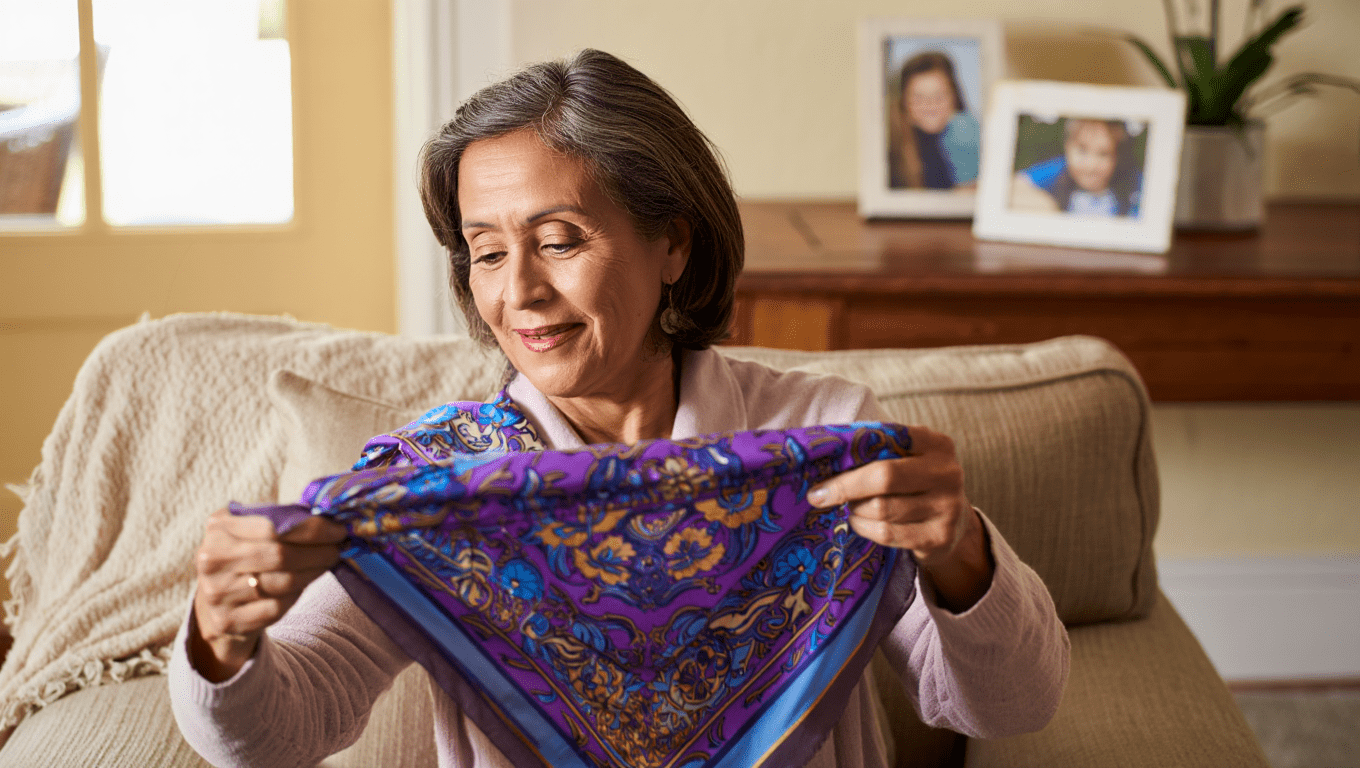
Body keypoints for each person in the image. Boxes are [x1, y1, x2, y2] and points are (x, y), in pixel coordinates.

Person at [170, 49, 1068, 768]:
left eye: (559, 241)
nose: (519, 290)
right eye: (485, 252)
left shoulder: (819, 440)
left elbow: (1013, 706)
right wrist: (220, 635)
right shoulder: (436, 484)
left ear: (671, 240)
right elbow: (281, 732)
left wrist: (960, 550)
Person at [1010, 118, 1143, 217]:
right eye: (1082, 150)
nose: (1091, 165)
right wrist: (1048, 207)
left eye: (1104, 154)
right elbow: (1014, 184)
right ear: (1067, 146)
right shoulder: (1061, 169)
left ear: (1117, 156)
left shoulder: (1130, 183)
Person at [887, 51, 980, 190]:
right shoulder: (893, 151)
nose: (930, 105)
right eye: (919, 97)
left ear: (954, 97)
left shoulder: (972, 137)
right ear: (904, 102)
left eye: (939, 96)